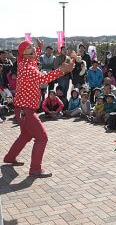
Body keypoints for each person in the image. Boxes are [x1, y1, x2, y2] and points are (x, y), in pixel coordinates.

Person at [3, 39, 74, 178]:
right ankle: (35, 169)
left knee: (26, 135)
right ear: (23, 53)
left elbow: (34, 59)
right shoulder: (27, 67)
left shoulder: (27, 62)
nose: (33, 49)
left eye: (32, 47)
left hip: (22, 109)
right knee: (42, 138)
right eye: (29, 48)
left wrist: (40, 48)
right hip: (26, 110)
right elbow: (43, 79)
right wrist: (61, 70)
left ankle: (10, 157)